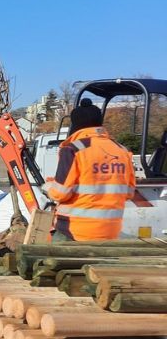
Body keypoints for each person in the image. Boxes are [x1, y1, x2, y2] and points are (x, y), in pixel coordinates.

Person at [43, 98, 136, 241]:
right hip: (110, 233)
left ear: (76, 124)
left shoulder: (73, 150)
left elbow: (60, 194)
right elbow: (129, 193)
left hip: (74, 232)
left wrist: (49, 186)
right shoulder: (122, 151)